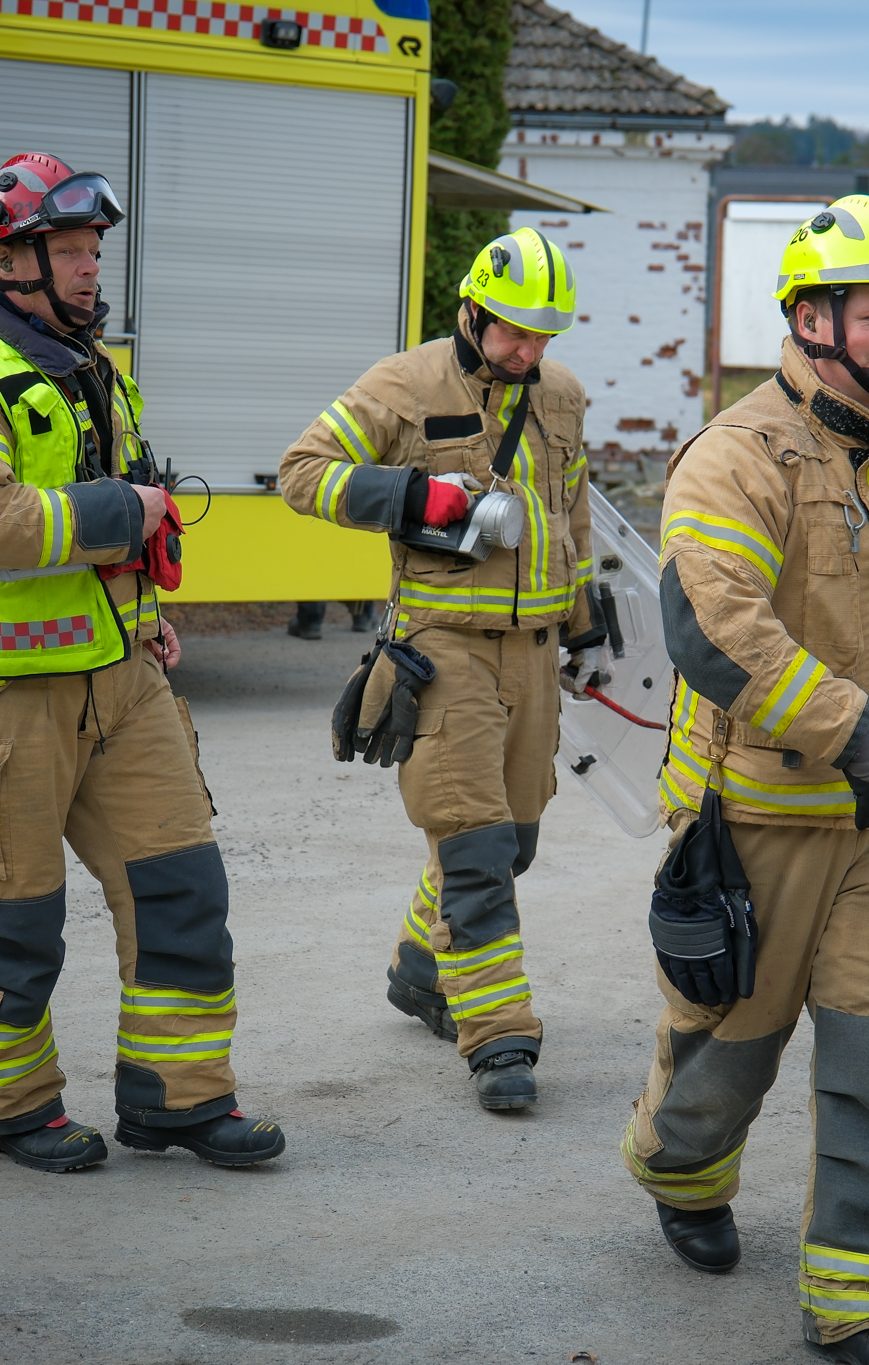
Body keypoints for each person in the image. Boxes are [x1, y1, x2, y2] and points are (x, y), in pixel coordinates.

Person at [622, 195, 869, 1365]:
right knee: (727, 1049)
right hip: (760, 814)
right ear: (808, 317)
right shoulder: (737, 453)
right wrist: (854, 735)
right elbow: (711, 632)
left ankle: (863, 1304)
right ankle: (677, 1174)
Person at [0, 153, 284, 1172]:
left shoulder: (93, 367)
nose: (87, 269)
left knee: (183, 889)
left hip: (120, 682)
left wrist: (143, 614)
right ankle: (9, 1109)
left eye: (92, 250)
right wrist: (126, 514)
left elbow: (110, 522)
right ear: (5, 258)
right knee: (13, 925)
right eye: (65, 250)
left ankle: (179, 1099)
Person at [277, 228, 604, 1112]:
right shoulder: (404, 384)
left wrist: (587, 629)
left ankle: (423, 967)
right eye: (511, 332)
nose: (529, 352)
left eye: (543, 337)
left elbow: (570, 520)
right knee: (475, 849)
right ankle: (499, 1040)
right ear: (471, 309)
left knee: (515, 838)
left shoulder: (563, 396)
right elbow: (301, 473)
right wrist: (415, 497)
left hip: (533, 653)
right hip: (443, 649)